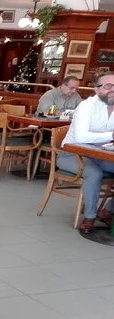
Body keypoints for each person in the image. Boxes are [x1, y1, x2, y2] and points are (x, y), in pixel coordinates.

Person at [59, 70, 114, 234]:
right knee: (94, 173)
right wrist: (111, 135)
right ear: (97, 89)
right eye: (108, 86)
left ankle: (107, 211)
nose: (113, 89)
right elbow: (81, 137)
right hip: (72, 154)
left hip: (101, 154)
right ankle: (90, 217)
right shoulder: (86, 106)